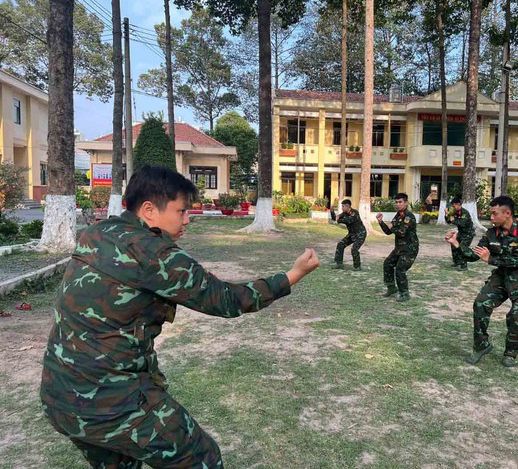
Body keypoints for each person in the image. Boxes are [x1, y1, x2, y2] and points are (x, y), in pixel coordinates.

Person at [39, 165, 320, 469]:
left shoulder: (96, 233)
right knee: (202, 458)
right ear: (149, 210)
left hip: (59, 397)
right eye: (181, 211)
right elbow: (226, 300)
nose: (188, 220)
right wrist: (293, 275)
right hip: (110, 402)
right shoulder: (155, 254)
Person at [444, 196, 518, 368]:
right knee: (481, 303)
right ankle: (481, 345)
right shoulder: (491, 233)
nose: (492, 217)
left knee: (517, 318)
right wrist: (456, 244)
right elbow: (474, 255)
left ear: (507, 213)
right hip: (502, 277)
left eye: (495, 214)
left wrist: (491, 260)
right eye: (491, 214)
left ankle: (511, 353)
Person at [376, 193, 419, 302]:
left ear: (406, 203)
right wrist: (381, 222)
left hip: (410, 249)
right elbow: (387, 231)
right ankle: (391, 288)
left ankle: (404, 293)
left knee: (400, 269)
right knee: (387, 263)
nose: (398, 204)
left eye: (400, 202)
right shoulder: (398, 216)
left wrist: (392, 227)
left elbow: (402, 232)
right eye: (396, 202)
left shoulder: (409, 217)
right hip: (399, 248)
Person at [331, 199, 367, 271]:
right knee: (340, 244)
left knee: (354, 249)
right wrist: (332, 212)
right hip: (352, 234)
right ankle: (339, 264)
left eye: (343, 206)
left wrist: (338, 220)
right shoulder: (344, 213)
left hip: (360, 234)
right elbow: (335, 218)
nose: (342, 208)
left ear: (348, 206)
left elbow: (348, 220)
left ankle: (357, 266)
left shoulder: (354, 213)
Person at [446, 196, 475, 270]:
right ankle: (457, 262)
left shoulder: (464, 213)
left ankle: (464, 266)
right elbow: (449, 221)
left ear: (459, 204)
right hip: (461, 233)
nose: (453, 207)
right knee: (454, 245)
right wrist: (447, 214)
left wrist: (453, 220)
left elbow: (462, 223)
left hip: (468, 233)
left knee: (462, 247)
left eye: (454, 206)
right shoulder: (455, 212)